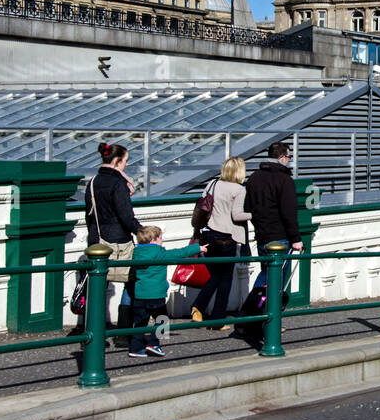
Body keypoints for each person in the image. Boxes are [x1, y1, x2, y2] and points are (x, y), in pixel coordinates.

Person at [84, 142, 144, 343]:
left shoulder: (92, 182)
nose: (127, 165)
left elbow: (89, 216)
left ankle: (94, 335)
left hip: (96, 239)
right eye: (126, 161)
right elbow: (126, 216)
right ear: (117, 161)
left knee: (98, 288)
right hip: (118, 240)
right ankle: (123, 334)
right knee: (131, 282)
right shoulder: (118, 184)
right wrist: (142, 232)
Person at [191, 157, 253, 331]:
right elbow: (237, 215)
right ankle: (217, 319)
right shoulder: (239, 189)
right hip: (226, 237)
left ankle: (199, 308)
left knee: (214, 275)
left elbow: (201, 207)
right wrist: (253, 213)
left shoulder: (213, 184)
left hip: (208, 234)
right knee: (225, 279)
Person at [129, 225, 206, 357]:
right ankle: (154, 343)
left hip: (140, 294)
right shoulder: (159, 253)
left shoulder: (136, 253)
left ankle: (135, 348)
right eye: (160, 238)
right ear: (153, 239)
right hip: (156, 294)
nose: (162, 241)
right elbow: (178, 253)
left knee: (140, 322)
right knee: (162, 318)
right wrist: (197, 248)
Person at [245, 142, 302, 293]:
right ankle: (255, 310)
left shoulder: (254, 177)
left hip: (262, 235)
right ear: (282, 157)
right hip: (280, 236)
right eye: (288, 157)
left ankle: (258, 309)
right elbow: (289, 212)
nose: (288, 160)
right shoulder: (284, 180)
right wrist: (296, 238)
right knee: (275, 278)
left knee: (266, 272)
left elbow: (248, 207)